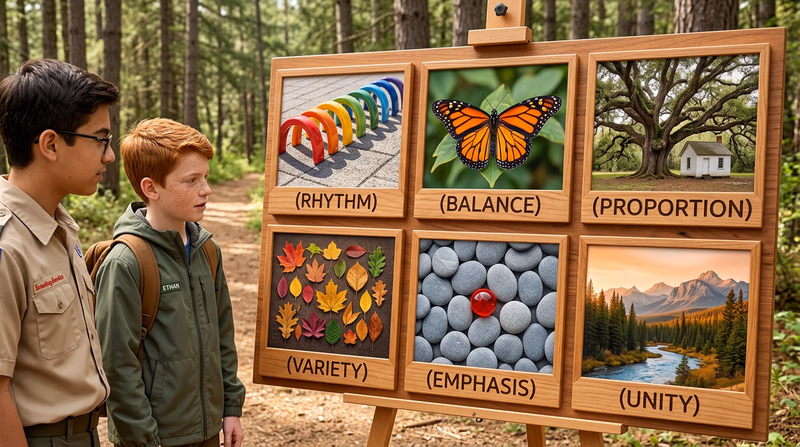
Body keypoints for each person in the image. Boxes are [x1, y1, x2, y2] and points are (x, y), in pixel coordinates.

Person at [94, 118, 245, 447]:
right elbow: (117, 369)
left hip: (207, 433)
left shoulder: (207, 250)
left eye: (205, 177)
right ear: (151, 188)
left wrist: (231, 408)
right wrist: (143, 439)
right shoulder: (126, 262)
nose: (206, 189)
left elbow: (223, 335)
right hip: (154, 438)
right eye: (191, 180)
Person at [0, 59, 120, 446]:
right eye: (100, 139)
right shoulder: (8, 247)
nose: (109, 156)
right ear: (51, 143)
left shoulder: (59, 228)